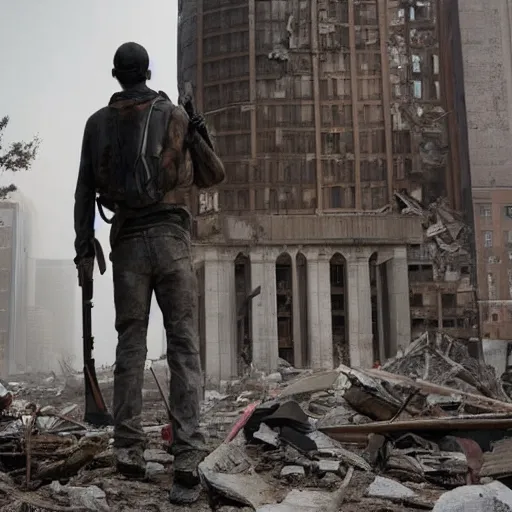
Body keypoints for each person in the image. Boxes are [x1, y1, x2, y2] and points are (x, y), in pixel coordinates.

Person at [73, 42, 225, 504]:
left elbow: (83, 193)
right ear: (147, 71)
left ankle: (129, 447)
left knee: (130, 344)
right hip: (172, 239)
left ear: (116, 74)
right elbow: (214, 174)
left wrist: (84, 246)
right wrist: (197, 125)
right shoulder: (174, 116)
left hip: (127, 244)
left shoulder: (97, 124)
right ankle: (185, 455)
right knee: (183, 344)